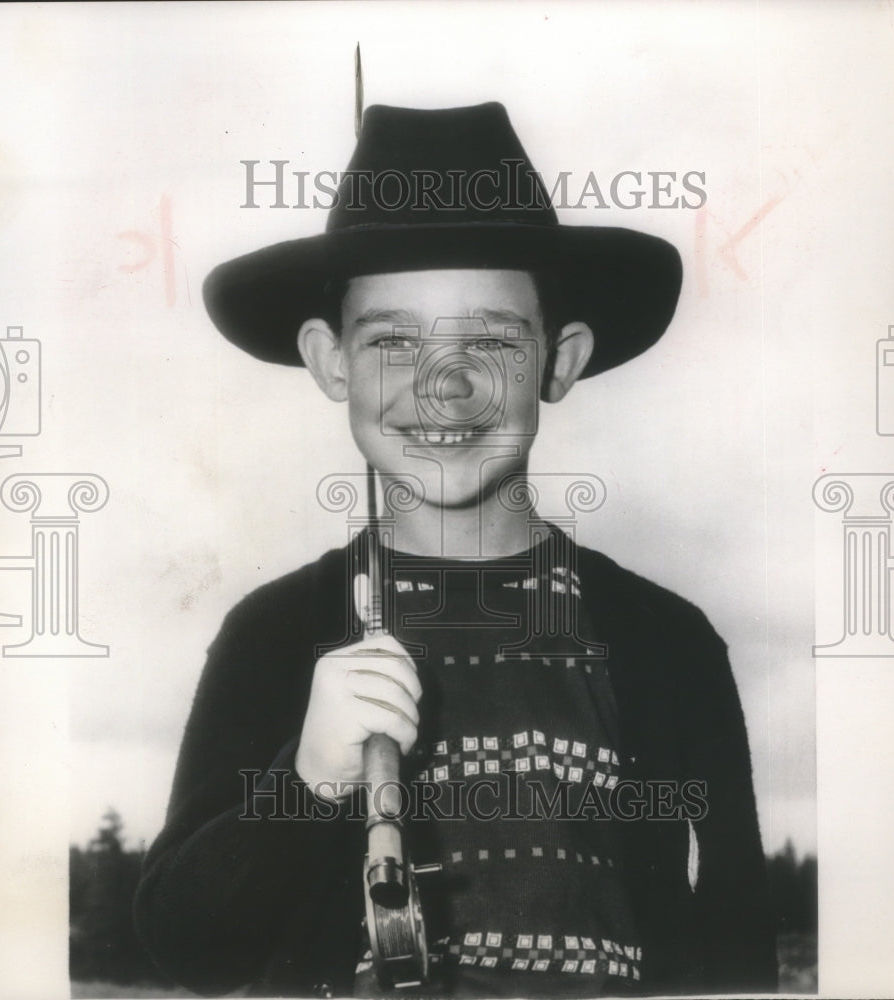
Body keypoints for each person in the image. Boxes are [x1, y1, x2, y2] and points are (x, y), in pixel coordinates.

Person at [134, 102, 777, 997]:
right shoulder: (277, 630)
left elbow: (735, 932)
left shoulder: (665, 639)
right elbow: (192, 954)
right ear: (330, 364)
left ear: (559, 360)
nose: (447, 386)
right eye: (394, 340)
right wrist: (307, 779)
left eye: (491, 339)